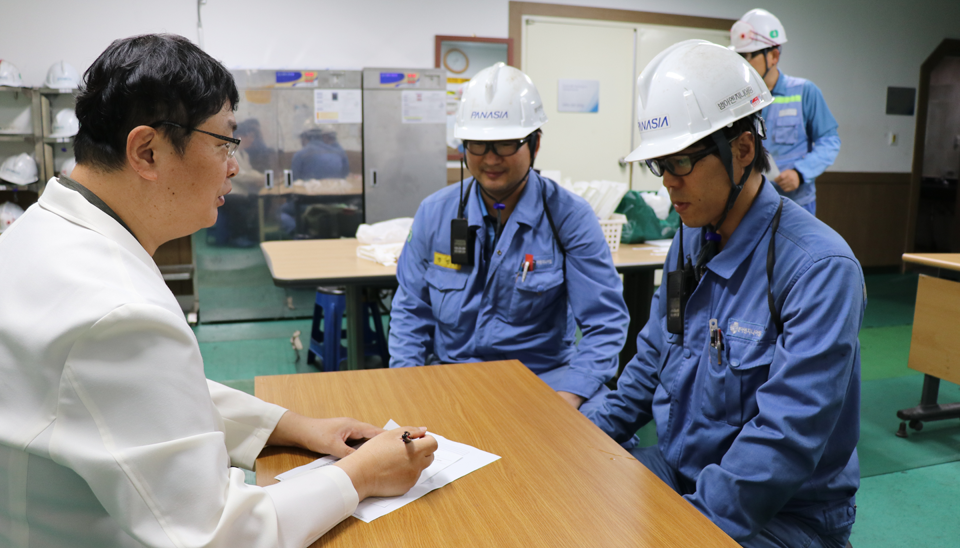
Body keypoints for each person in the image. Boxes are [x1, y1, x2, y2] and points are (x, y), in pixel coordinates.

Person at [0, 34, 437, 548]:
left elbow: (145, 397)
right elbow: (218, 536)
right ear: (148, 150)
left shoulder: (43, 234)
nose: (234, 165)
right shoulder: (115, 307)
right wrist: (362, 476)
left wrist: (294, 426)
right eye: (225, 142)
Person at [585, 40, 863, 547]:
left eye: (681, 163)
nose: (668, 184)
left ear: (742, 150)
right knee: (567, 494)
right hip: (682, 469)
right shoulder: (690, 237)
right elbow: (653, 356)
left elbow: (783, 439)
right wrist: (581, 437)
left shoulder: (819, 268)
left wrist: (688, 529)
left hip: (784, 511)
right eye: (658, 166)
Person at [389, 62, 629, 413]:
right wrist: (408, 386)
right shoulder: (434, 212)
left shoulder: (569, 216)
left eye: (504, 144)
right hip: (453, 374)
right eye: (477, 144)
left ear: (535, 143)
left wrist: (569, 397)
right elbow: (411, 310)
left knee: (599, 431)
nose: (489, 159)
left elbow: (605, 324)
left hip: (544, 378)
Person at [730, 8, 840, 216]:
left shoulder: (804, 91)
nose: (743, 65)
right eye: (739, 57)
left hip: (796, 205)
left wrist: (800, 172)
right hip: (750, 204)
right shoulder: (739, 100)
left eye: (748, 56)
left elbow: (830, 141)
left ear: (773, 56)